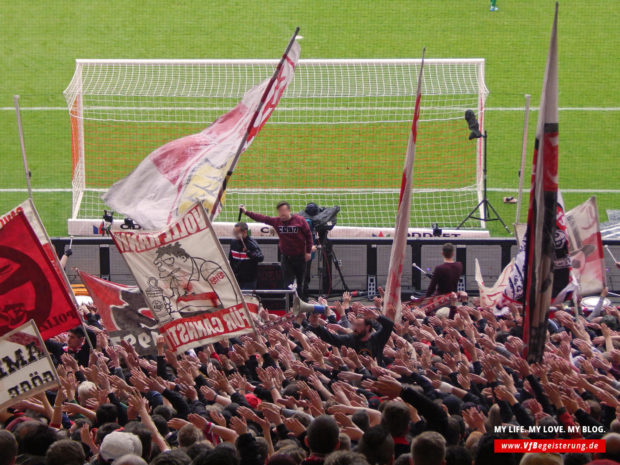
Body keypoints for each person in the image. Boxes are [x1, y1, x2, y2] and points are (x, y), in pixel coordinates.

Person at [241, 202, 313, 298]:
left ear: (289, 211)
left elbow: (309, 236)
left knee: (301, 283)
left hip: (300, 257)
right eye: (279, 212)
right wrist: (246, 212)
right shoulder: (277, 221)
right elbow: (262, 218)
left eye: (283, 212)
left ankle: (303, 305)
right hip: (286, 258)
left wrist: (308, 252)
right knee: (287, 283)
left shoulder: (300, 220)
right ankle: (290, 305)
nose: (281, 215)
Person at [308, 306, 394, 365]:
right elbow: (331, 338)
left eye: (359, 325)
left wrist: (376, 316)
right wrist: (316, 325)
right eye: (354, 325)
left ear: (368, 327)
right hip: (358, 376)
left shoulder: (377, 339)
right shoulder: (350, 339)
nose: (355, 328)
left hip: (377, 374)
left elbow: (389, 325)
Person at [228, 222, 264, 290]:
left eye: (237, 232)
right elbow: (231, 259)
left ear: (244, 232)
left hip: (249, 280)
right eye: (234, 232)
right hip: (236, 279)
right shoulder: (233, 243)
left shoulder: (252, 244)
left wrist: (249, 253)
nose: (235, 234)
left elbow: (260, 258)